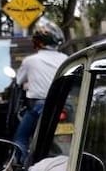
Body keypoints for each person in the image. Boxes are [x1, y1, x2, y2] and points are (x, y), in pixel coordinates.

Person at [13, 19, 68, 159]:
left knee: (21, 137)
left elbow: (19, 81)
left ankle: (20, 169)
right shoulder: (66, 58)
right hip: (65, 105)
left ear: (39, 42)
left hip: (39, 106)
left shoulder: (30, 61)